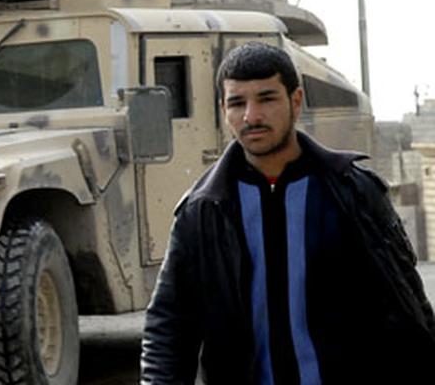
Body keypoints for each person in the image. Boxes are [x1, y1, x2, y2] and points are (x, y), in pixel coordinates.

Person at [141, 42, 435, 384]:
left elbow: (407, 311)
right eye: (237, 103)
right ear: (224, 110)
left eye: (266, 98)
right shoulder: (203, 211)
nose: (252, 116)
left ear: (295, 102)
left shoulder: (353, 193)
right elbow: (169, 329)